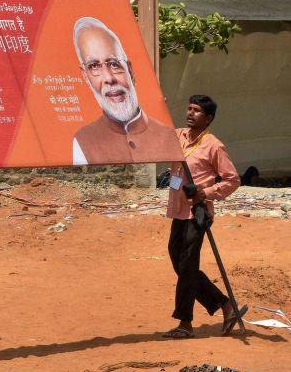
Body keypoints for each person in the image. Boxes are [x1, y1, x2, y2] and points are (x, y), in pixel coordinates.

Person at [163, 94, 246, 339]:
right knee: (179, 262)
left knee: (187, 264)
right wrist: (159, 106)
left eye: (196, 110)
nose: (190, 113)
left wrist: (205, 192)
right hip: (179, 209)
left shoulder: (213, 146)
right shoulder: (177, 137)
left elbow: (233, 180)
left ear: (208, 118)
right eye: (189, 109)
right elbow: (153, 131)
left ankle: (184, 323)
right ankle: (224, 304)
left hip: (197, 212)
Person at [71, 17, 178, 165]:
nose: (109, 78)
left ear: (130, 71)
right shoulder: (82, 142)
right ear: (86, 77)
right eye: (94, 66)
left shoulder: (169, 136)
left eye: (114, 64)